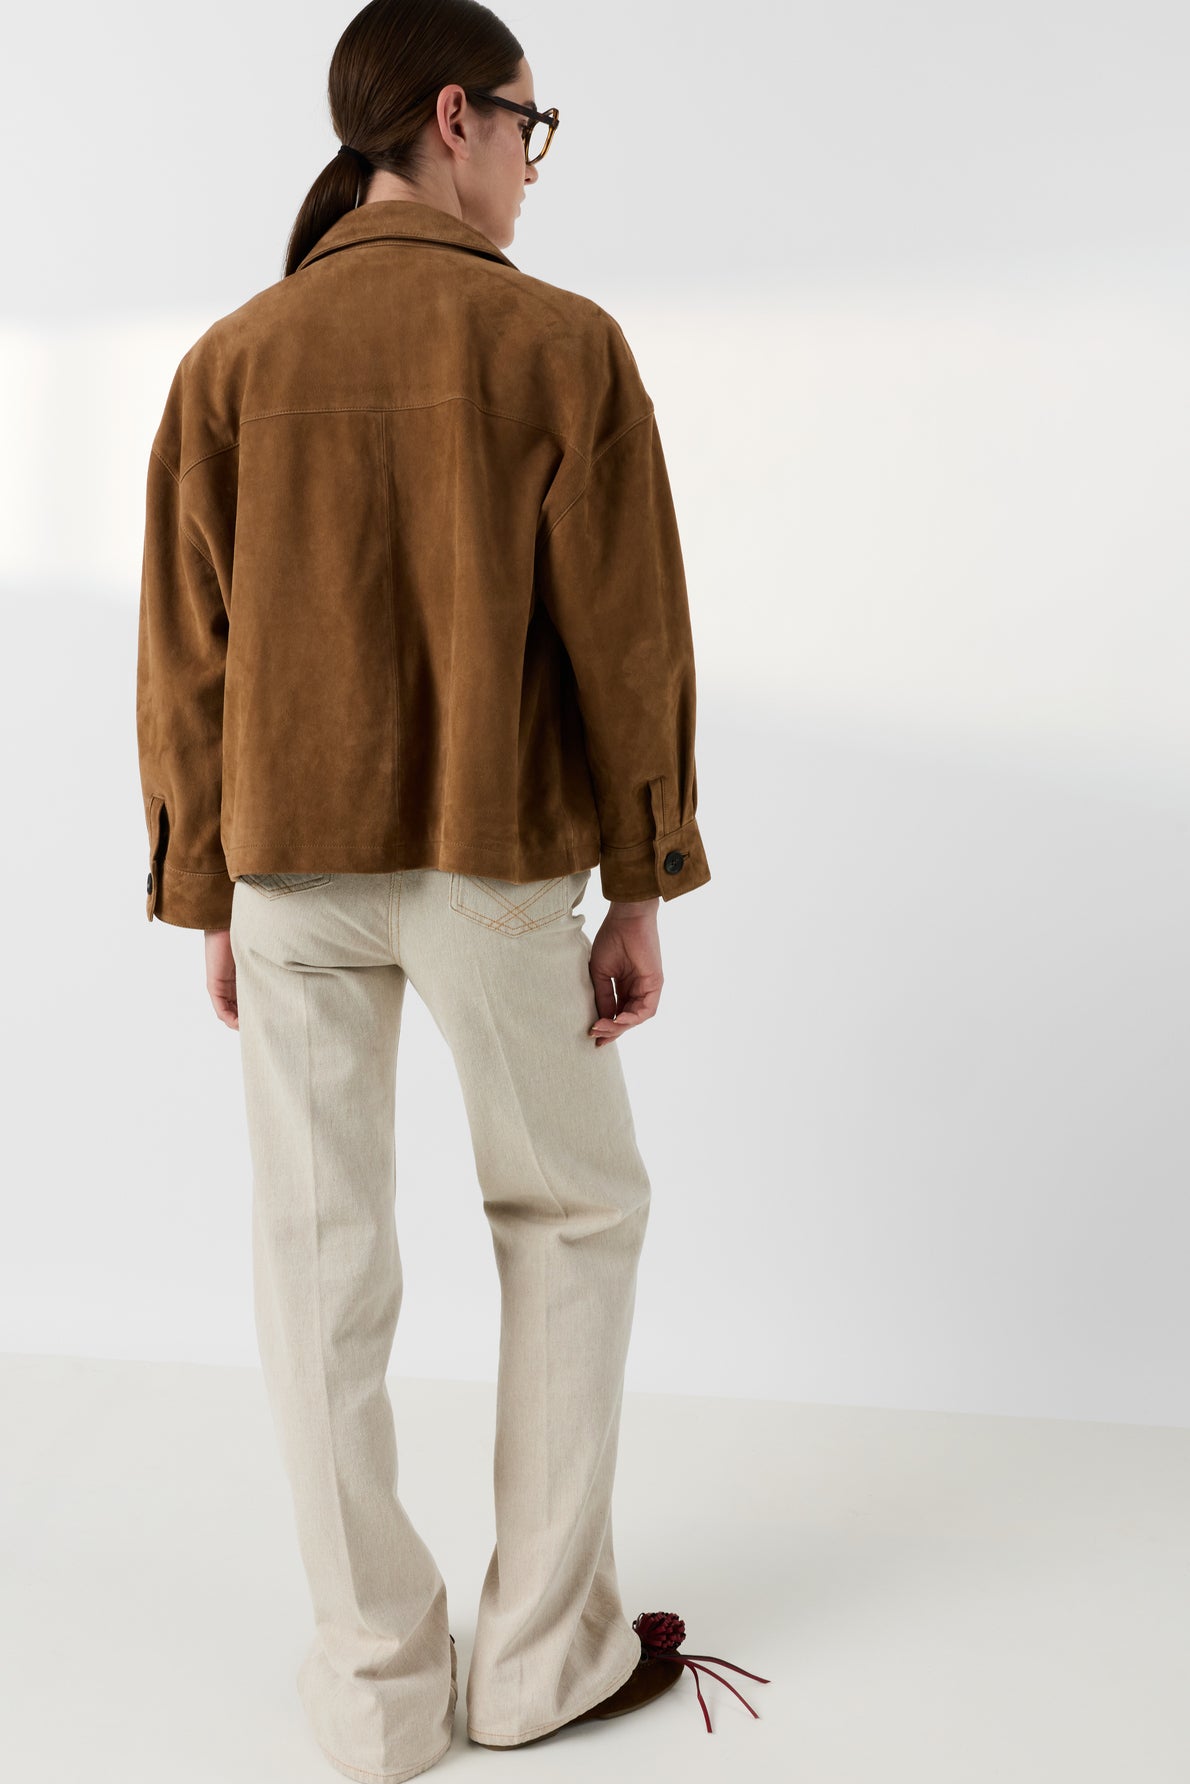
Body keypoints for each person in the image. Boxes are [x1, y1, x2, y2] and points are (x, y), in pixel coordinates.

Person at [135, 2, 739, 1779]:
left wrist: (208, 890)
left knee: (316, 1261)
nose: (534, 171)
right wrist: (640, 881)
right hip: (495, 872)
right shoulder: (559, 346)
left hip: (291, 868)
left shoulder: (232, 361)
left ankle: (377, 1690)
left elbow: (184, 656)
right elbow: (631, 640)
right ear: (455, 117)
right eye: (529, 133)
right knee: (571, 1216)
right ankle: (539, 1663)